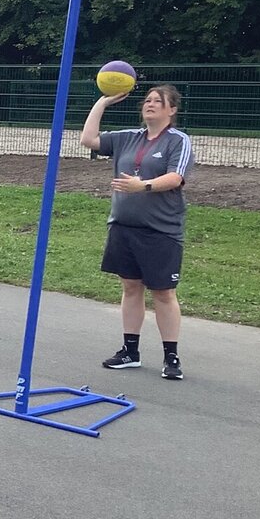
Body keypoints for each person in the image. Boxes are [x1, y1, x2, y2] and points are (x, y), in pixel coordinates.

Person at [79, 83, 194, 380]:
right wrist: (102, 103)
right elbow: (88, 139)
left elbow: (176, 177)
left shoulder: (177, 140)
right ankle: (130, 352)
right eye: (147, 100)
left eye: (158, 101)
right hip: (123, 226)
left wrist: (142, 186)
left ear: (172, 109)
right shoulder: (128, 137)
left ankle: (171, 357)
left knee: (163, 293)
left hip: (160, 230)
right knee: (130, 287)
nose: (150, 104)